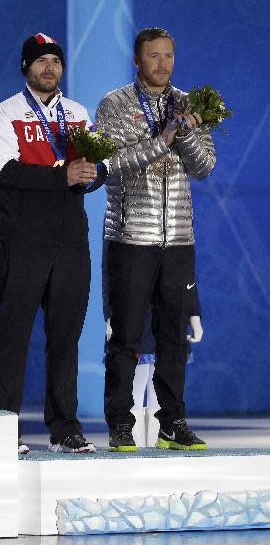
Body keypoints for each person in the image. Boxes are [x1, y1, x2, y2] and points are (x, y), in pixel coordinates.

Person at [0, 33, 105, 454]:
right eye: (41, 61)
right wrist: (63, 176)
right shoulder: (5, 112)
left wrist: (95, 174)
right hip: (23, 240)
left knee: (65, 337)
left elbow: (96, 166)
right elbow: (5, 172)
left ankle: (65, 429)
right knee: (14, 335)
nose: (49, 67)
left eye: (55, 60)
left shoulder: (77, 113)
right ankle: (4, 429)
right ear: (25, 67)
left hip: (71, 239)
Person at [97, 27, 215, 452]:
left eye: (168, 55)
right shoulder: (115, 104)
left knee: (173, 338)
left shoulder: (188, 104)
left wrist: (183, 133)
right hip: (132, 236)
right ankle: (120, 424)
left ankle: (173, 422)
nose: (162, 63)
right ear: (137, 60)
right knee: (126, 337)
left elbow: (204, 167)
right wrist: (161, 139)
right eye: (153, 55)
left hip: (179, 237)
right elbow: (110, 164)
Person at [102, 239, 204, 447]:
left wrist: (193, 314)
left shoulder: (179, 211)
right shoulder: (124, 210)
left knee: (162, 382)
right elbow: (110, 267)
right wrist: (110, 314)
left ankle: (167, 431)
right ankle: (126, 435)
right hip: (134, 305)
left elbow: (186, 270)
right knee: (136, 384)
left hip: (169, 306)